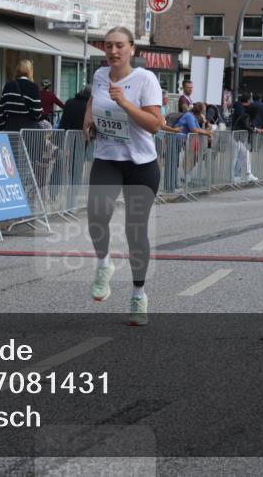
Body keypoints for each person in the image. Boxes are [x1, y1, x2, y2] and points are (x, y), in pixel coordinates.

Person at [83, 26, 163, 326]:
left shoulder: (145, 79)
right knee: (96, 216)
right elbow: (92, 104)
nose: (113, 51)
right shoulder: (100, 76)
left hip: (141, 164)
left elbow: (155, 125)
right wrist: (88, 122)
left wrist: (126, 104)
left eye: (119, 46)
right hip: (108, 158)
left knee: (135, 230)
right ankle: (104, 264)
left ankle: (138, 294)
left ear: (132, 49)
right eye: (108, 46)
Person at [0, 59, 44, 130]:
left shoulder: (8, 86)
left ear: (17, 70)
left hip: (10, 128)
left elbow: (1, 111)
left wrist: (2, 128)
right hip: (28, 131)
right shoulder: (33, 87)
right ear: (30, 71)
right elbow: (37, 112)